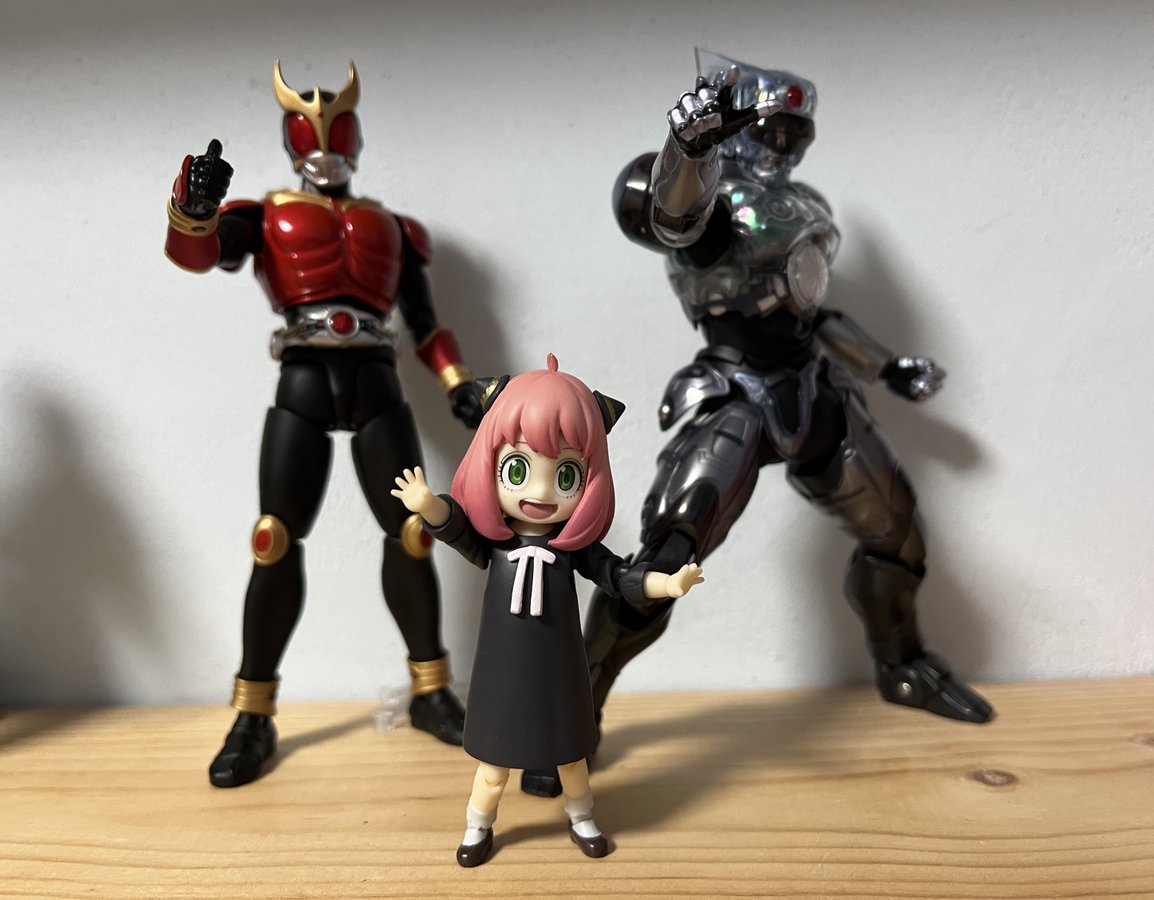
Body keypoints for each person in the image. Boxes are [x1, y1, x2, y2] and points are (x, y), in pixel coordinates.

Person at [522, 51, 992, 798]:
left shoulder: (802, 204)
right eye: (772, 128)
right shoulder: (718, 197)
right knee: (660, 567)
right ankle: (569, 717)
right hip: (735, 391)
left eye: (795, 131)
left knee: (899, 539)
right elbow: (678, 217)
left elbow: (816, 314)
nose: (784, 143)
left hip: (811, 387)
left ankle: (901, 663)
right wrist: (689, 147)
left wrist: (889, 367)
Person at [165, 62, 479, 787]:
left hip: (376, 379)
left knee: (414, 530)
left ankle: (431, 692)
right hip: (304, 376)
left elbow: (426, 324)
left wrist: (458, 383)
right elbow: (197, 255)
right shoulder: (266, 214)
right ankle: (253, 714)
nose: (327, 142)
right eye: (311, 130)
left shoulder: (394, 229)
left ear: (357, 137)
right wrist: (193, 207)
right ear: (291, 139)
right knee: (273, 540)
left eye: (340, 129)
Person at [392, 354, 703, 866]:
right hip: (502, 670)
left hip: (560, 671)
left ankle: (581, 817)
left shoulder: (573, 551)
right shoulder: (497, 547)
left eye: (565, 475)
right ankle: (477, 825)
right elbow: (458, 531)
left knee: (571, 757)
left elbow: (618, 575)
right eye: (517, 469)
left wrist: (667, 583)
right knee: (494, 764)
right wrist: (429, 505)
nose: (539, 491)